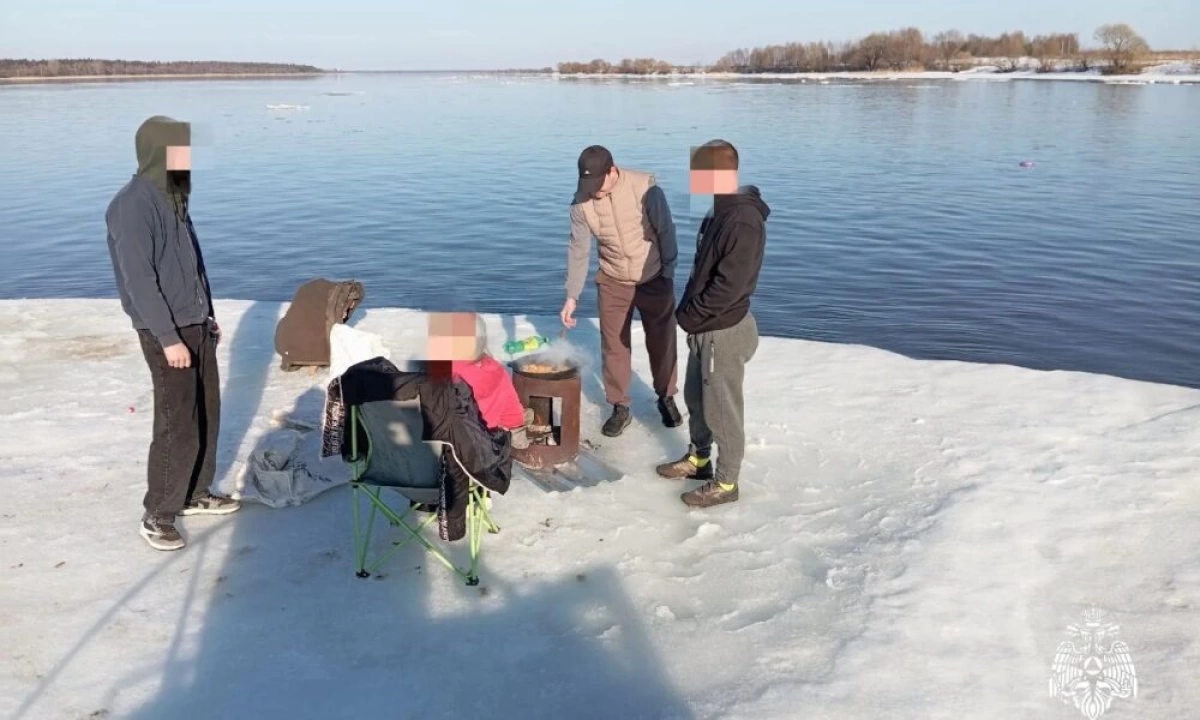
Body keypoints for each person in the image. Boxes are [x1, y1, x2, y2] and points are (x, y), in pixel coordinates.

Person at [105, 115, 240, 551]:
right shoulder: (131, 206)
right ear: (157, 153)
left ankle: (195, 493)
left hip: (195, 324)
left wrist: (207, 315)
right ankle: (159, 514)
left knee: (207, 414)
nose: (187, 159)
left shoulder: (175, 198)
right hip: (167, 331)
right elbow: (140, 281)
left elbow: (193, 266)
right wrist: (168, 338)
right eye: (178, 151)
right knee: (176, 424)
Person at [656, 140, 768, 508]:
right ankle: (699, 459)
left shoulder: (742, 220)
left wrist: (690, 315)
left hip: (722, 329)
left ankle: (726, 482)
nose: (694, 179)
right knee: (696, 399)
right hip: (705, 327)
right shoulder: (719, 209)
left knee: (722, 410)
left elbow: (729, 287)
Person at [561, 145, 683, 438]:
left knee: (662, 340)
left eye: (598, 183)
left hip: (653, 276)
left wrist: (668, 272)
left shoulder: (646, 189)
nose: (593, 191)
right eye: (588, 184)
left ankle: (666, 396)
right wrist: (572, 295)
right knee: (614, 345)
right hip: (613, 279)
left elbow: (666, 230)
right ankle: (619, 406)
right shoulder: (580, 203)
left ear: (612, 171)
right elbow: (578, 249)